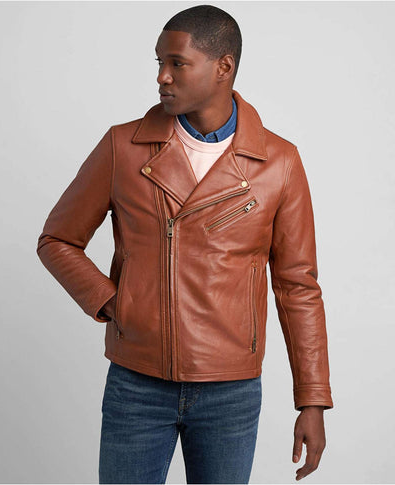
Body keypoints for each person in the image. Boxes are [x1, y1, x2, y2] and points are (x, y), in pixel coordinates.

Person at [36, 4, 333, 484]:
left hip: (231, 391)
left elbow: (297, 286)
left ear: (223, 67)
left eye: (177, 63)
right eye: (159, 62)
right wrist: (114, 302)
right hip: (137, 382)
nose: (162, 77)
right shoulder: (122, 147)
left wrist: (312, 399)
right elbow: (57, 239)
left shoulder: (279, 162)